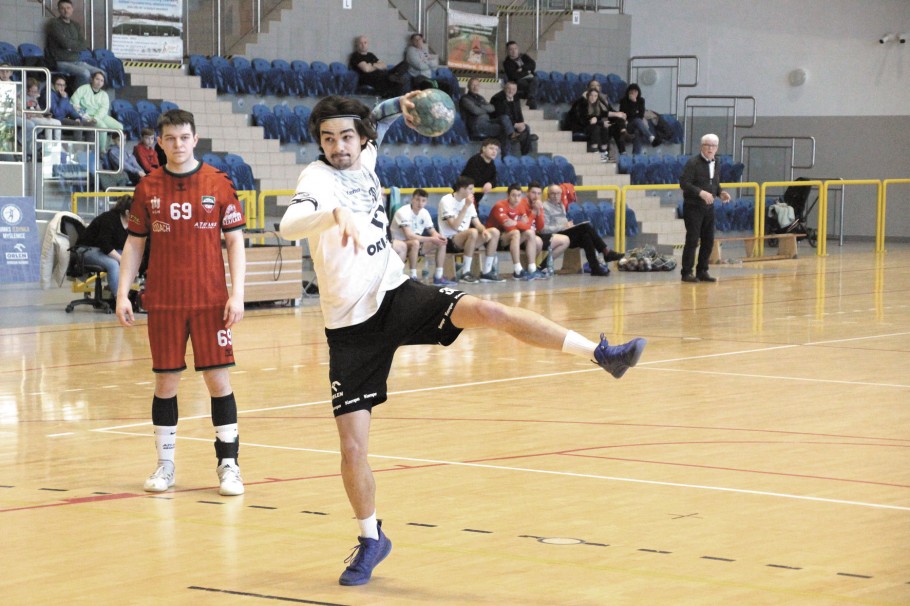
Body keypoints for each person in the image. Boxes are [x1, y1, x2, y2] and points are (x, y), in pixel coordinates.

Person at [277, 92, 646, 587]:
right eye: (327, 138)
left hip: (395, 294)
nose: (337, 146)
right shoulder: (317, 178)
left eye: (346, 136)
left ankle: (602, 354)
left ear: (360, 139)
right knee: (352, 449)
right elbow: (288, 224)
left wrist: (402, 101)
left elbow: (381, 120)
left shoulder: (365, 156)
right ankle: (371, 539)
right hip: (350, 327)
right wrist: (332, 216)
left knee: (487, 309)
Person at [115, 109, 247, 497]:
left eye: (184, 137)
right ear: (159, 142)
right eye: (170, 138)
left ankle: (229, 466)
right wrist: (123, 292)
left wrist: (237, 293)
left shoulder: (218, 183)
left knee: (218, 381)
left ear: (195, 138)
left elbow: (235, 241)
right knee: (166, 383)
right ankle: (165, 465)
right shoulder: (148, 187)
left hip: (210, 302)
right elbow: (134, 243)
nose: (178, 144)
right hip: (166, 303)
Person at [679, 133, 731, 283]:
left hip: (709, 207)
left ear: (717, 148)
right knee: (693, 239)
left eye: (713, 146)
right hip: (693, 206)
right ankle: (686, 272)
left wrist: (720, 192)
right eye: (708, 145)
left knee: (708, 240)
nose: (710, 148)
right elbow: (684, 183)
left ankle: (702, 270)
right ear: (702, 146)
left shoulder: (717, 162)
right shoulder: (693, 163)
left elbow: (714, 181)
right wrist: (700, 193)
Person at [540, 183, 623, 276]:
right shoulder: (545, 207)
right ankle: (606, 252)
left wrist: (569, 226)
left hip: (565, 233)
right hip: (555, 236)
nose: (556, 196)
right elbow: (544, 229)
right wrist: (563, 226)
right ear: (548, 195)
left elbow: (563, 223)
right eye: (553, 194)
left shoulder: (561, 205)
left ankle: (595, 268)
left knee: (586, 237)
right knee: (586, 227)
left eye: (558, 193)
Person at [437, 175, 503, 283]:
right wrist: (465, 207)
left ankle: (486, 272)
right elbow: (454, 226)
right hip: (449, 240)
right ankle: (465, 272)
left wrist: (484, 230)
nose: (472, 192)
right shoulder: (446, 200)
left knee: (494, 232)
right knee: (472, 232)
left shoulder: (469, 202)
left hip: (468, 239)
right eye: (470, 189)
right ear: (462, 189)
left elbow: (477, 223)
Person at [74, 194, 131, 305]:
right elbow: (104, 244)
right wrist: (121, 259)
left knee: (128, 259)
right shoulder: (109, 218)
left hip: (101, 250)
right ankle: (119, 301)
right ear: (127, 212)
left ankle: (126, 294)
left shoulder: (129, 224)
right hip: (85, 250)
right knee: (113, 264)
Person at [390, 188, 454, 285]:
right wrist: (432, 238)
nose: (420, 203)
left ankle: (438, 276)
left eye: (423, 201)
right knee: (415, 242)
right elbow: (409, 235)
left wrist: (439, 237)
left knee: (441, 243)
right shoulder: (402, 212)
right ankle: (413, 276)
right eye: (417, 200)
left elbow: (432, 231)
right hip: (400, 244)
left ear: (426, 202)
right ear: (412, 199)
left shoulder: (424, 213)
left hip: (417, 245)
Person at [485, 183, 545, 280]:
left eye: (519, 195)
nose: (516, 198)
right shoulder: (500, 206)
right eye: (513, 195)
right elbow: (509, 228)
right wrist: (520, 223)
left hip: (511, 238)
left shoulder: (520, 206)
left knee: (530, 233)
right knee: (516, 233)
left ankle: (532, 269)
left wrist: (515, 222)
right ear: (508, 195)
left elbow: (528, 226)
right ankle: (517, 270)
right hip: (494, 239)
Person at [45, 0, 104, 88]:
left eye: (68, 8)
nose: (66, 10)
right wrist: (73, 45)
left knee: (101, 73)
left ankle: (93, 98)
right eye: (62, 8)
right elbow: (65, 43)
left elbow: (83, 44)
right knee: (85, 73)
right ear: (59, 10)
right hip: (61, 62)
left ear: (72, 9)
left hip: (76, 61)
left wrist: (71, 45)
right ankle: (78, 98)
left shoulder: (75, 25)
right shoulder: (55, 24)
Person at [70, 71, 123, 150]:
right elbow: (74, 103)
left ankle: (109, 146)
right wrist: (86, 117)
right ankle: (102, 150)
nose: (99, 82)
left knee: (120, 127)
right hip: (86, 116)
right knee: (103, 127)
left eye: (102, 80)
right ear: (92, 79)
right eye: (97, 79)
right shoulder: (83, 88)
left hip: (99, 116)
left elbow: (104, 109)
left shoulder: (104, 94)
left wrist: (96, 118)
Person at [459, 77, 510, 151]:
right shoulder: (465, 98)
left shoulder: (480, 98)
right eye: (473, 85)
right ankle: (504, 154)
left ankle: (511, 134)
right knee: (502, 129)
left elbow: (492, 108)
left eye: (477, 85)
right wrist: (485, 109)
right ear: (468, 86)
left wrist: (480, 106)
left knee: (504, 118)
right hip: (476, 125)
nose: (475, 87)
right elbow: (476, 111)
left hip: (487, 122)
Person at [491, 81, 533, 156]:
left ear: (516, 90)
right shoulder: (497, 98)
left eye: (513, 89)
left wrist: (521, 123)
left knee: (526, 128)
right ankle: (513, 136)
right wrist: (515, 124)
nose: (511, 91)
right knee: (505, 120)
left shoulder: (516, 97)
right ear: (504, 88)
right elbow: (500, 114)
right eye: (509, 89)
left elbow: (519, 112)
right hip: (498, 121)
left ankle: (525, 154)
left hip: (511, 123)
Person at [619, 83, 659, 155]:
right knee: (637, 120)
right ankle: (651, 137)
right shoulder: (623, 101)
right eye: (632, 91)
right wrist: (633, 103)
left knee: (637, 131)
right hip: (627, 125)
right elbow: (625, 115)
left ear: (638, 92)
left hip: (638, 125)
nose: (634, 93)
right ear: (628, 92)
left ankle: (636, 156)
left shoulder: (641, 100)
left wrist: (635, 106)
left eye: (636, 91)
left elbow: (641, 114)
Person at [459, 138, 498, 206]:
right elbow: (474, 180)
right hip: (463, 198)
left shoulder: (492, 164)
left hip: (474, 200)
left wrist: (490, 183)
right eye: (491, 148)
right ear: (483, 149)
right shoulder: (474, 161)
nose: (494, 151)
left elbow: (495, 179)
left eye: (496, 149)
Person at [502, 41, 539, 109]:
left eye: (515, 48)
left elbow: (533, 65)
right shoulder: (507, 63)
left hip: (530, 78)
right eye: (511, 49)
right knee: (532, 83)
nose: (514, 51)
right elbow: (513, 76)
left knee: (535, 80)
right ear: (507, 51)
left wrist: (522, 68)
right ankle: (531, 99)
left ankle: (531, 99)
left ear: (518, 49)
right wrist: (527, 71)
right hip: (517, 81)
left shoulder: (524, 56)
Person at [25, 78, 63, 142]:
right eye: (32, 91)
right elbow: (26, 112)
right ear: (26, 90)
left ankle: (57, 144)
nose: (35, 93)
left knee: (58, 123)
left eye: (36, 91)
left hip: (38, 117)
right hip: (30, 117)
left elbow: (39, 110)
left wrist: (46, 115)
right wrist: (37, 114)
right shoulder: (23, 97)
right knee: (48, 124)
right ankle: (49, 143)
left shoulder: (34, 98)